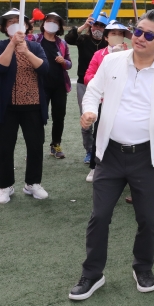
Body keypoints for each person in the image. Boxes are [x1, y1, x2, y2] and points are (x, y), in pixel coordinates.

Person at [69, 10, 154, 301]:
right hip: (110, 154)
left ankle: (143, 267)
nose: (140, 38)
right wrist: (89, 112)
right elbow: (93, 91)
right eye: (138, 31)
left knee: (149, 218)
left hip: (147, 157)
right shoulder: (112, 61)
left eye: (149, 35)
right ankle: (92, 274)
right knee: (99, 216)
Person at [0, 9, 50, 204]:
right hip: (6, 107)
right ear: (5, 28)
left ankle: (32, 183)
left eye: (18, 21)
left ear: (27, 26)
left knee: (35, 146)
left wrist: (26, 52)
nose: (14, 24)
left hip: (32, 105)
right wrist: (13, 45)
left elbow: (44, 68)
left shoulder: (35, 47)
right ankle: (5, 186)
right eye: (10, 22)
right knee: (4, 148)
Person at [84, 21, 130, 183]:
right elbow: (88, 75)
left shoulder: (131, 53)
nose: (116, 37)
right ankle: (94, 167)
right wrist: (102, 83)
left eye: (120, 34)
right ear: (106, 37)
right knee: (100, 133)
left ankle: (123, 169)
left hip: (125, 102)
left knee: (123, 134)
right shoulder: (99, 55)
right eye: (113, 34)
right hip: (105, 101)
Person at [65, 12, 109, 164]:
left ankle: (103, 149)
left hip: (106, 86)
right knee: (87, 117)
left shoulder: (108, 43)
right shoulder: (84, 39)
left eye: (102, 25)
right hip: (85, 84)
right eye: (96, 24)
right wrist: (84, 25)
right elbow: (69, 38)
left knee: (105, 118)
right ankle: (89, 150)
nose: (98, 27)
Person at [32, 13, 72, 160]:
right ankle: (34, 148)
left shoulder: (62, 44)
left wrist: (63, 62)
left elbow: (69, 64)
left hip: (59, 86)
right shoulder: (35, 39)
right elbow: (20, 39)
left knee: (59, 117)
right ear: (43, 23)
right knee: (38, 118)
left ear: (60, 27)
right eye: (49, 21)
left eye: (56, 22)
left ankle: (55, 145)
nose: (51, 24)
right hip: (39, 85)